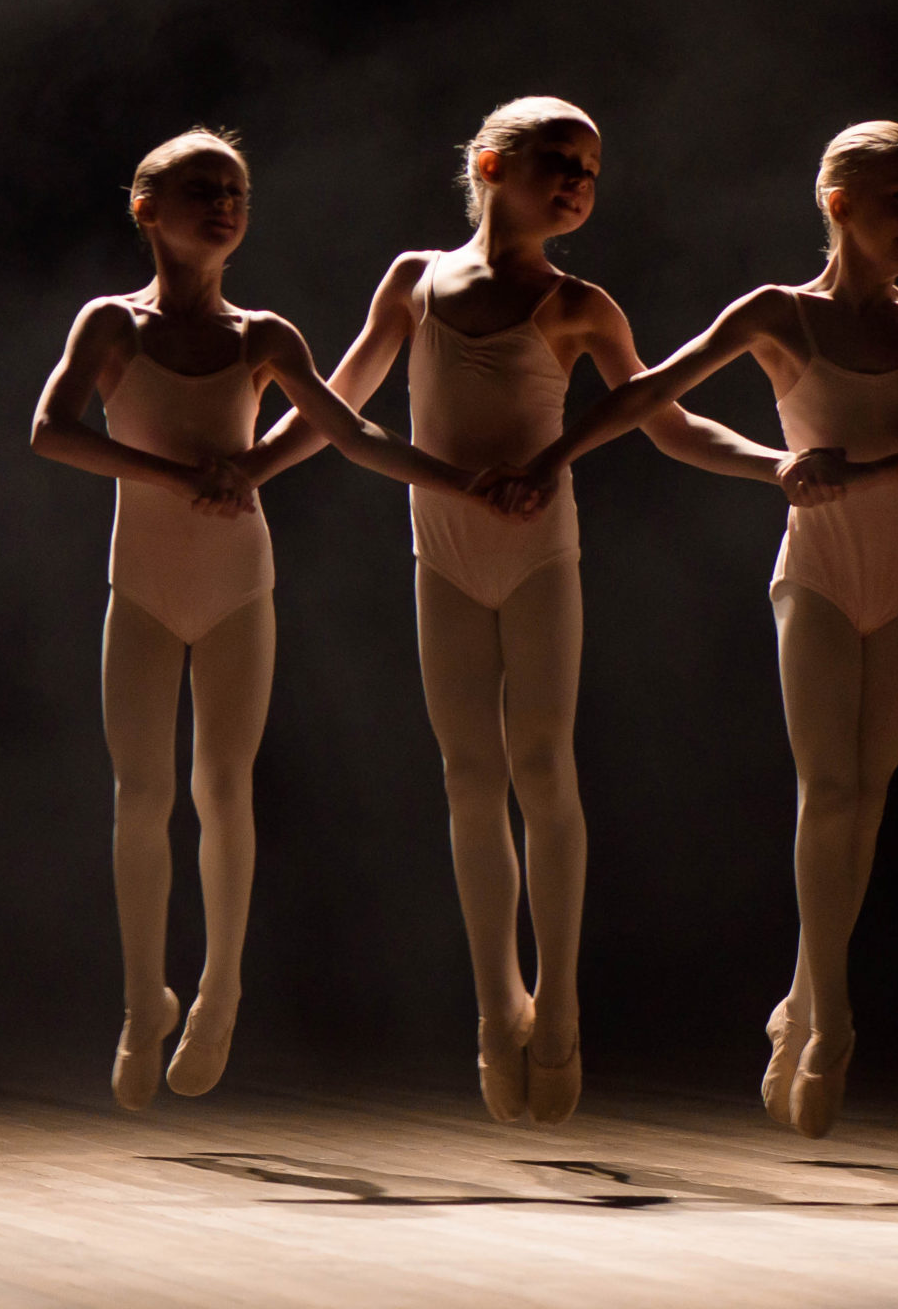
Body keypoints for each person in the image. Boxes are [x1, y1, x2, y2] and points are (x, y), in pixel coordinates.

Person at [243, 97, 787, 1124]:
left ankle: (564, 1000)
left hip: (538, 550)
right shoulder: (415, 281)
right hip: (443, 549)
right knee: (467, 774)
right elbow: (338, 398)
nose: (578, 181)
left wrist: (775, 465)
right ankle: (498, 1004)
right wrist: (257, 466)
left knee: (541, 763)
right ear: (492, 164)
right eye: (557, 161)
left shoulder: (581, 305)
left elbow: (662, 422)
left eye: (589, 167)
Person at [501, 121, 898, 1137]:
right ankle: (832, 1020)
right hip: (817, 573)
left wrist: (861, 474)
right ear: (837, 201)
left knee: (867, 796)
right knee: (829, 790)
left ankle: (802, 1001)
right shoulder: (777, 312)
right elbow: (653, 394)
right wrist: (557, 454)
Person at [30, 129, 480, 1110]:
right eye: (201, 188)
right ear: (146, 209)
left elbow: (349, 430)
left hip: (237, 579)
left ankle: (221, 991)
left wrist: (456, 481)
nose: (225, 203)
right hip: (142, 578)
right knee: (141, 795)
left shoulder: (264, 336)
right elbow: (50, 432)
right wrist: (177, 474)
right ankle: (137, 1000)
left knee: (222, 787)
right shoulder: (110, 324)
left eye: (235, 189)